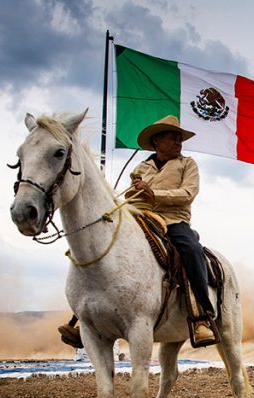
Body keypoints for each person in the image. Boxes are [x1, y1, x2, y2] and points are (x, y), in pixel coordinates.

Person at [59, 115, 216, 348]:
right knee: (103, 246)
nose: (178, 142)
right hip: (139, 219)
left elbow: (188, 193)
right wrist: (133, 195)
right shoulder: (141, 167)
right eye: (173, 138)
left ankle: (201, 315)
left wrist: (153, 193)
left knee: (191, 250)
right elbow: (130, 198)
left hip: (174, 222)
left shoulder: (187, 164)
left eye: (179, 139)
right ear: (157, 141)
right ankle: (86, 317)